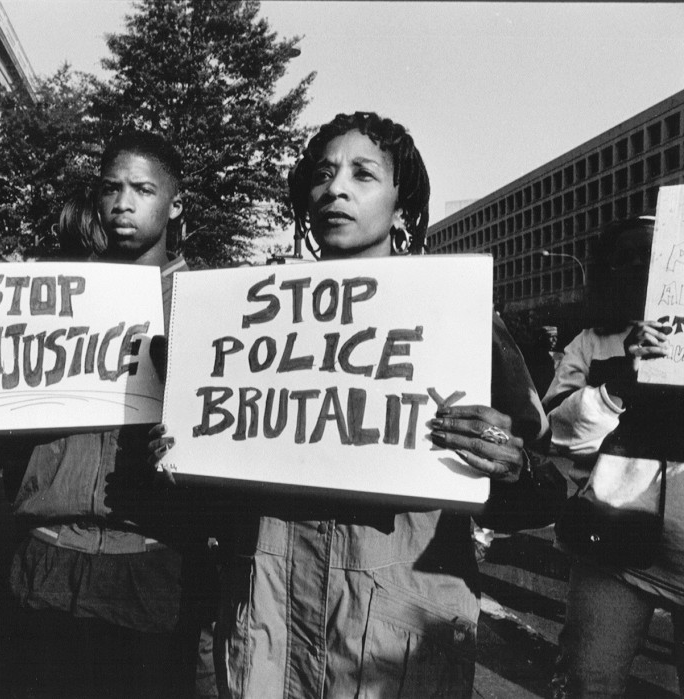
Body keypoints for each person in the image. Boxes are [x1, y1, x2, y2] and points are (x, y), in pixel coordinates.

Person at [150, 112, 548, 698]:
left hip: (393, 649)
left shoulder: (459, 321)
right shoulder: (244, 321)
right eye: (322, 174)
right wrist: (183, 459)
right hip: (266, 633)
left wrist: (510, 468)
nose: (335, 188)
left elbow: (544, 492)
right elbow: (221, 503)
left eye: (363, 175)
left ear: (403, 207)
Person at [0, 132, 200, 698]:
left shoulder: (208, 305)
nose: (123, 204)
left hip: (149, 562)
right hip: (47, 554)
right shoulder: (55, 297)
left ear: (175, 203)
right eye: (112, 189)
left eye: (142, 189)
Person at [545, 216, 684, 697]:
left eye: (653, 254)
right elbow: (554, 433)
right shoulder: (590, 343)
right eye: (623, 257)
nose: (639, 267)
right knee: (589, 682)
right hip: (613, 548)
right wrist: (622, 379)